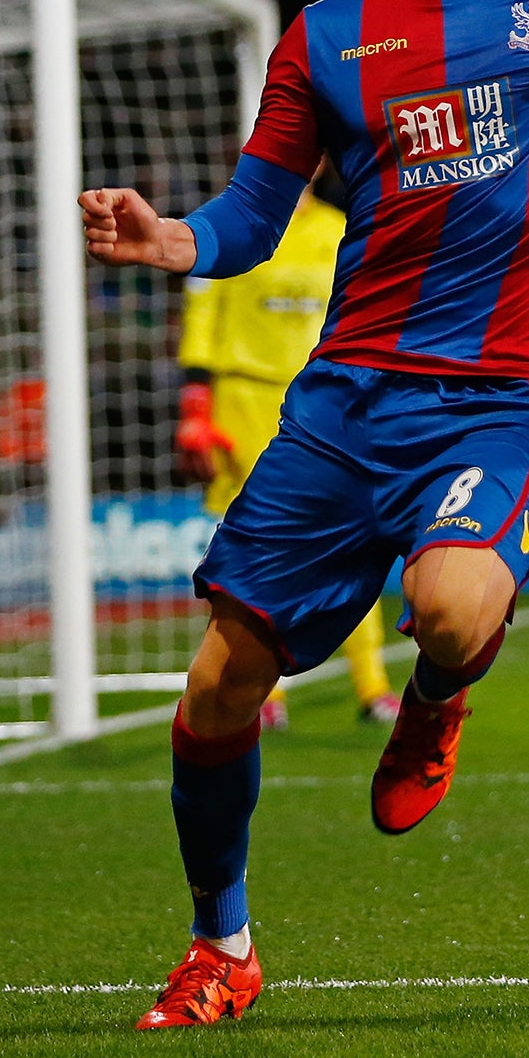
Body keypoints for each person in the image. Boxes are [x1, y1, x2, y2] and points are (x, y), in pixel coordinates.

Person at [80, 0, 529, 1029]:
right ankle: (221, 946)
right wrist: (168, 240)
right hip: (346, 398)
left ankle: (435, 703)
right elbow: (249, 213)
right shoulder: (329, 35)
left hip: (506, 390)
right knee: (216, 690)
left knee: (451, 610)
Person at [175, 167, 401, 730]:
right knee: (259, 545)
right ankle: (258, 690)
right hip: (245, 397)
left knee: (350, 537)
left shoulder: (340, 228)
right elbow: (203, 311)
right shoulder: (237, 223)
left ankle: (372, 685)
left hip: (325, 395)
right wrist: (195, 403)